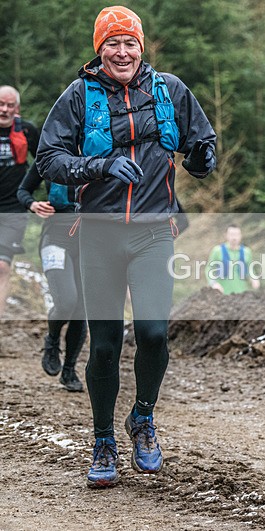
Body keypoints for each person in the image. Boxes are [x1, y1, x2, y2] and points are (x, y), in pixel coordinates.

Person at [36, 5, 216, 488]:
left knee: (155, 333)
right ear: (99, 50)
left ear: (142, 47)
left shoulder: (170, 90)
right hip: (98, 235)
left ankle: (142, 418)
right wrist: (100, 166)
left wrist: (203, 156)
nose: (121, 51)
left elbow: (202, 146)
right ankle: (102, 441)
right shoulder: (78, 96)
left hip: (155, 231)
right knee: (106, 346)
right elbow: (49, 159)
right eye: (111, 43)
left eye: (129, 43)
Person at [17, 164, 85, 392]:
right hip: (55, 238)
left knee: (81, 310)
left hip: (90, 241)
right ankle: (53, 338)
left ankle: (69, 370)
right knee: (66, 301)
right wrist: (33, 204)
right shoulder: (51, 156)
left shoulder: (101, 154)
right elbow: (23, 190)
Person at [0, 85, 38, 319]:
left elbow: (45, 162)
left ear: (17, 108)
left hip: (14, 208)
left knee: (2, 267)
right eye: (0, 104)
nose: (3, 109)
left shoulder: (26, 130)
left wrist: (32, 194)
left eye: (9, 105)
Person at [205, 224, 260, 294]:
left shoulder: (247, 251)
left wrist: (254, 279)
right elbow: (209, 269)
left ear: (241, 236)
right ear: (226, 235)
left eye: (237, 235)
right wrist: (213, 283)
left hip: (241, 294)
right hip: (221, 294)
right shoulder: (217, 251)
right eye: (231, 234)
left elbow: (250, 269)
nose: (234, 237)